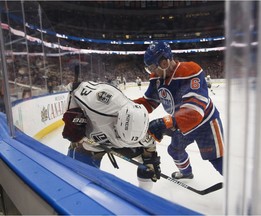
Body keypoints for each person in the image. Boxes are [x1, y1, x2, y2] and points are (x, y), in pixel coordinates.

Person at [134, 41, 224, 179]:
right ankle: (186, 173)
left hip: (206, 122)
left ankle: (243, 189)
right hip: (180, 123)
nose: (152, 72)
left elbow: (194, 112)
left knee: (218, 159)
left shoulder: (191, 71)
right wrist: (126, 107)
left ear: (164, 62)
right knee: (175, 150)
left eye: (153, 67)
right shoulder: (157, 77)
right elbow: (149, 101)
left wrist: (166, 122)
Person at [62, 81, 161, 190]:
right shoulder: (99, 103)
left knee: (147, 165)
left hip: (112, 142)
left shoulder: (141, 132)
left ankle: (144, 196)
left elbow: (150, 145)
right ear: (118, 121)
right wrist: (72, 117)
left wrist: (150, 160)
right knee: (76, 175)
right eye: (119, 134)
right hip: (90, 140)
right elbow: (74, 89)